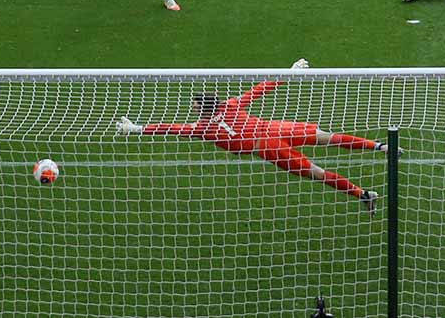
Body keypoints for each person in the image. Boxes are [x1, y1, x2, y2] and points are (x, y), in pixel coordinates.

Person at [115, 59, 386, 211]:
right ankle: (379, 146)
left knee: (318, 173)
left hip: (267, 147)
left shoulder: (202, 130)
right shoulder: (229, 105)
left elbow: (168, 129)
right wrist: (288, 74)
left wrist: (136, 128)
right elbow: (259, 89)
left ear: (205, 111)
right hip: (275, 128)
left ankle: (362, 194)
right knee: (328, 137)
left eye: (196, 107)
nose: (195, 111)